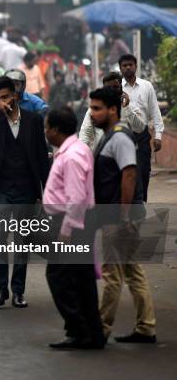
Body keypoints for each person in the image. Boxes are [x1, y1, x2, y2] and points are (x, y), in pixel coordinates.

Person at [0, 76, 49, 308]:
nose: (2, 101)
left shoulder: (33, 120)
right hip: (2, 189)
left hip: (26, 189)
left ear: (15, 95)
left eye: (5, 97)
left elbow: (41, 156)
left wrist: (47, 191)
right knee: (0, 241)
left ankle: (18, 291)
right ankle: (1, 288)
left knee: (22, 242)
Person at [88, 86, 157, 344]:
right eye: (91, 108)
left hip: (119, 216)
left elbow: (129, 174)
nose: (92, 113)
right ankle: (146, 327)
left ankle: (101, 328)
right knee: (132, 271)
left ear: (113, 110)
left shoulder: (119, 138)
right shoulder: (109, 136)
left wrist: (123, 218)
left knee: (112, 274)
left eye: (97, 108)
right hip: (118, 215)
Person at [43, 105, 104, 350]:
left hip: (73, 224)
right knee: (82, 279)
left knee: (58, 276)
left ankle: (78, 329)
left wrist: (66, 230)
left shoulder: (72, 156)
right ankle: (92, 333)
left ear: (56, 130)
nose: (45, 132)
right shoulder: (74, 150)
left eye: (46, 127)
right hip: (78, 222)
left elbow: (76, 197)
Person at [119, 54, 164, 202]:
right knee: (125, 171)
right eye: (124, 65)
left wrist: (158, 136)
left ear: (136, 66)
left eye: (130, 64)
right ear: (120, 68)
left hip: (142, 135)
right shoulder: (117, 88)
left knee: (144, 171)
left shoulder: (146, 86)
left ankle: (141, 202)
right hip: (122, 135)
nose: (127, 67)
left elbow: (155, 112)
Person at [79, 72, 146, 151]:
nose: (112, 90)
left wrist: (127, 108)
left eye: (115, 87)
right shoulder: (95, 109)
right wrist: (83, 155)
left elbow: (139, 128)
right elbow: (85, 133)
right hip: (102, 155)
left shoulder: (127, 106)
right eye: (109, 87)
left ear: (121, 87)